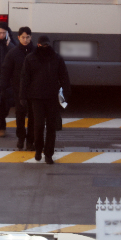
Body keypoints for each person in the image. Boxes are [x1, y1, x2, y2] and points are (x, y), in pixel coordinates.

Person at [19, 35, 70, 164]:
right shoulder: (30, 59)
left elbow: (64, 77)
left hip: (52, 97)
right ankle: (38, 149)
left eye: (47, 45)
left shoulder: (57, 59)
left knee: (51, 127)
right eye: (43, 45)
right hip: (36, 98)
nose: (45, 48)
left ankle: (48, 154)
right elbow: (24, 79)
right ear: (38, 45)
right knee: (39, 125)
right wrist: (22, 96)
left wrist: (66, 94)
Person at [0, 26, 35, 151]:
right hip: (18, 90)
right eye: (23, 37)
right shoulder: (13, 53)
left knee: (33, 116)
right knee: (20, 115)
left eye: (28, 37)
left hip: (33, 90)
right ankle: (21, 138)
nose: (25, 40)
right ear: (18, 37)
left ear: (31, 38)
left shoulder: (36, 52)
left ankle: (30, 141)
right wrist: (3, 87)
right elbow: (6, 70)